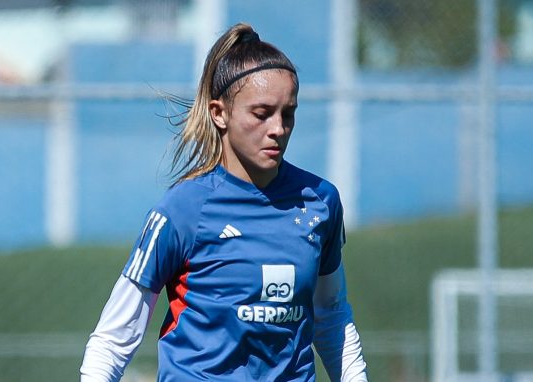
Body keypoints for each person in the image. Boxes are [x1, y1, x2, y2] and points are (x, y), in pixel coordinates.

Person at [80, 22, 367, 381]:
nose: (277, 128)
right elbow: (114, 338)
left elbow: (332, 316)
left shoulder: (320, 201)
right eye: (261, 114)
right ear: (220, 113)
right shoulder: (182, 209)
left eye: (288, 113)